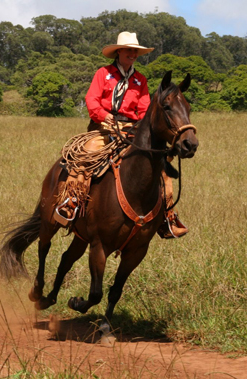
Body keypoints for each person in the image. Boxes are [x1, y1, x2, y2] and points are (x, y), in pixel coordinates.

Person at [84, 31, 187, 238]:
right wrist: (104, 116)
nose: (133, 54)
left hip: (131, 130)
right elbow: (92, 100)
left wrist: (141, 128)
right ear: (119, 51)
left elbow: (145, 108)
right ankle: (72, 203)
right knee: (86, 157)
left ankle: (167, 216)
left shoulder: (140, 80)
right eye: (129, 50)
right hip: (102, 126)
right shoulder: (103, 74)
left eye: (136, 51)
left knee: (161, 168)